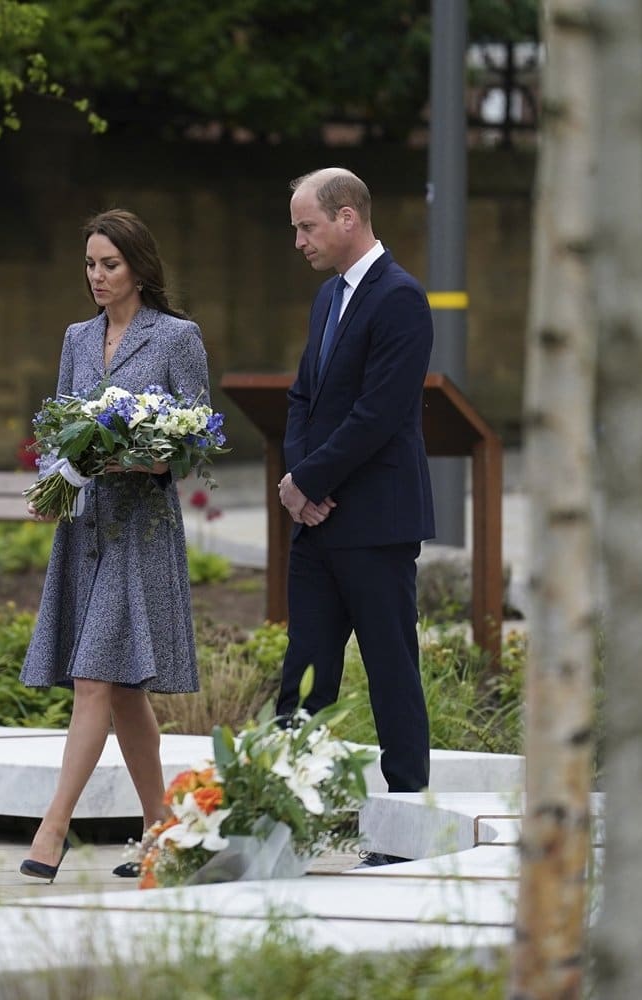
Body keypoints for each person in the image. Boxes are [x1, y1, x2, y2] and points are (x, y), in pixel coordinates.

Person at [19, 209, 209, 881]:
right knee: (125, 691)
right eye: (91, 266)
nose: (98, 277)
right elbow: (65, 430)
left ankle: (53, 829)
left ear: (139, 267)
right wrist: (53, 489)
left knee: (95, 676)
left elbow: (197, 438)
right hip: (86, 526)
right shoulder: (77, 337)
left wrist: (157, 459)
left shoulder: (176, 337)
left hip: (142, 530)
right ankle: (165, 833)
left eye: (110, 265)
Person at [276, 167, 434, 801]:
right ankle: (283, 810)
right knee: (305, 675)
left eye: (306, 226)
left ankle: (406, 821)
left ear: (348, 218)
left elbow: (379, 412)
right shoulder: (327, 298)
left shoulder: (400, 297)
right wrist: (297, 483)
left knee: (391, 671)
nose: (299, 242)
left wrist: (308, 480)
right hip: (317, 523)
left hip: (375, 523)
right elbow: (303, 398)